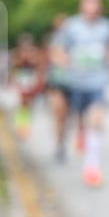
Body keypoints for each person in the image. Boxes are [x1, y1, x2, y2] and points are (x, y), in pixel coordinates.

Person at [51, 0, 109, 187]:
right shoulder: (71, 26)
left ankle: (92, 167)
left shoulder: (108, 27)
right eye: (88, 3)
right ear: (81, 6)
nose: (92, 7)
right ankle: (61, 143)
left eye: (95, 3)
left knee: (95, 121)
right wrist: (66, 62)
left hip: (98, 82)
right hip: (73, 82)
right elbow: (57, 50)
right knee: (64, 116)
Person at [44, 14, 72, 162]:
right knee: (58, 111)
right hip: (57, 81)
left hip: (72, 82)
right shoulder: (55, 39)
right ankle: (58, 143)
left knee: (66, 115)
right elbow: (53, 56)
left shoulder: (76, 38)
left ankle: (63, 140)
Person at [9, 32, 46, 139]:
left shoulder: (36, 53)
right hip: (21, 81)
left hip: (32, 81)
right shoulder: (16, 53)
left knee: (29, 105)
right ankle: (22, 127)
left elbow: (40, 68)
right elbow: (13, 68)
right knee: (21, 105)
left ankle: (26, 126)